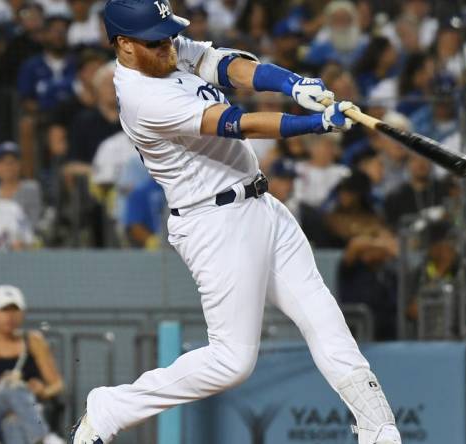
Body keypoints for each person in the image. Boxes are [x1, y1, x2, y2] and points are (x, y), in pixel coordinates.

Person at [71, 2, 402, 443]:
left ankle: (379, 430)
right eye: (155, 39)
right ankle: (111, 407)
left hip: (260, 203)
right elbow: (234, 123)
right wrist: (314, 122)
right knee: (232, 361)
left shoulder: (161, 50)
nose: (168, 44)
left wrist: (292, 82)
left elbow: (225, 64)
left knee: (324, 317)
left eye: (168, 33)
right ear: (124, 45)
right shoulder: (141, 97)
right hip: (214, 222)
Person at [0, 285, 63, 444]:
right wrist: (0, 388)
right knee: (11, 387)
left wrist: (41, 391)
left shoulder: (34, 341)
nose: (10, 316)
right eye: (4, 310)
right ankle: (44, 437)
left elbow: (57, 384)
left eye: (14, 310)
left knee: (13, 422)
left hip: (28, 410)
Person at [0, 141, 43, 228]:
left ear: (19, 165)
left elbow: (34, 222)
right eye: (3, 162)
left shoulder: (31, 188)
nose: (8, 166)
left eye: (12, 162)